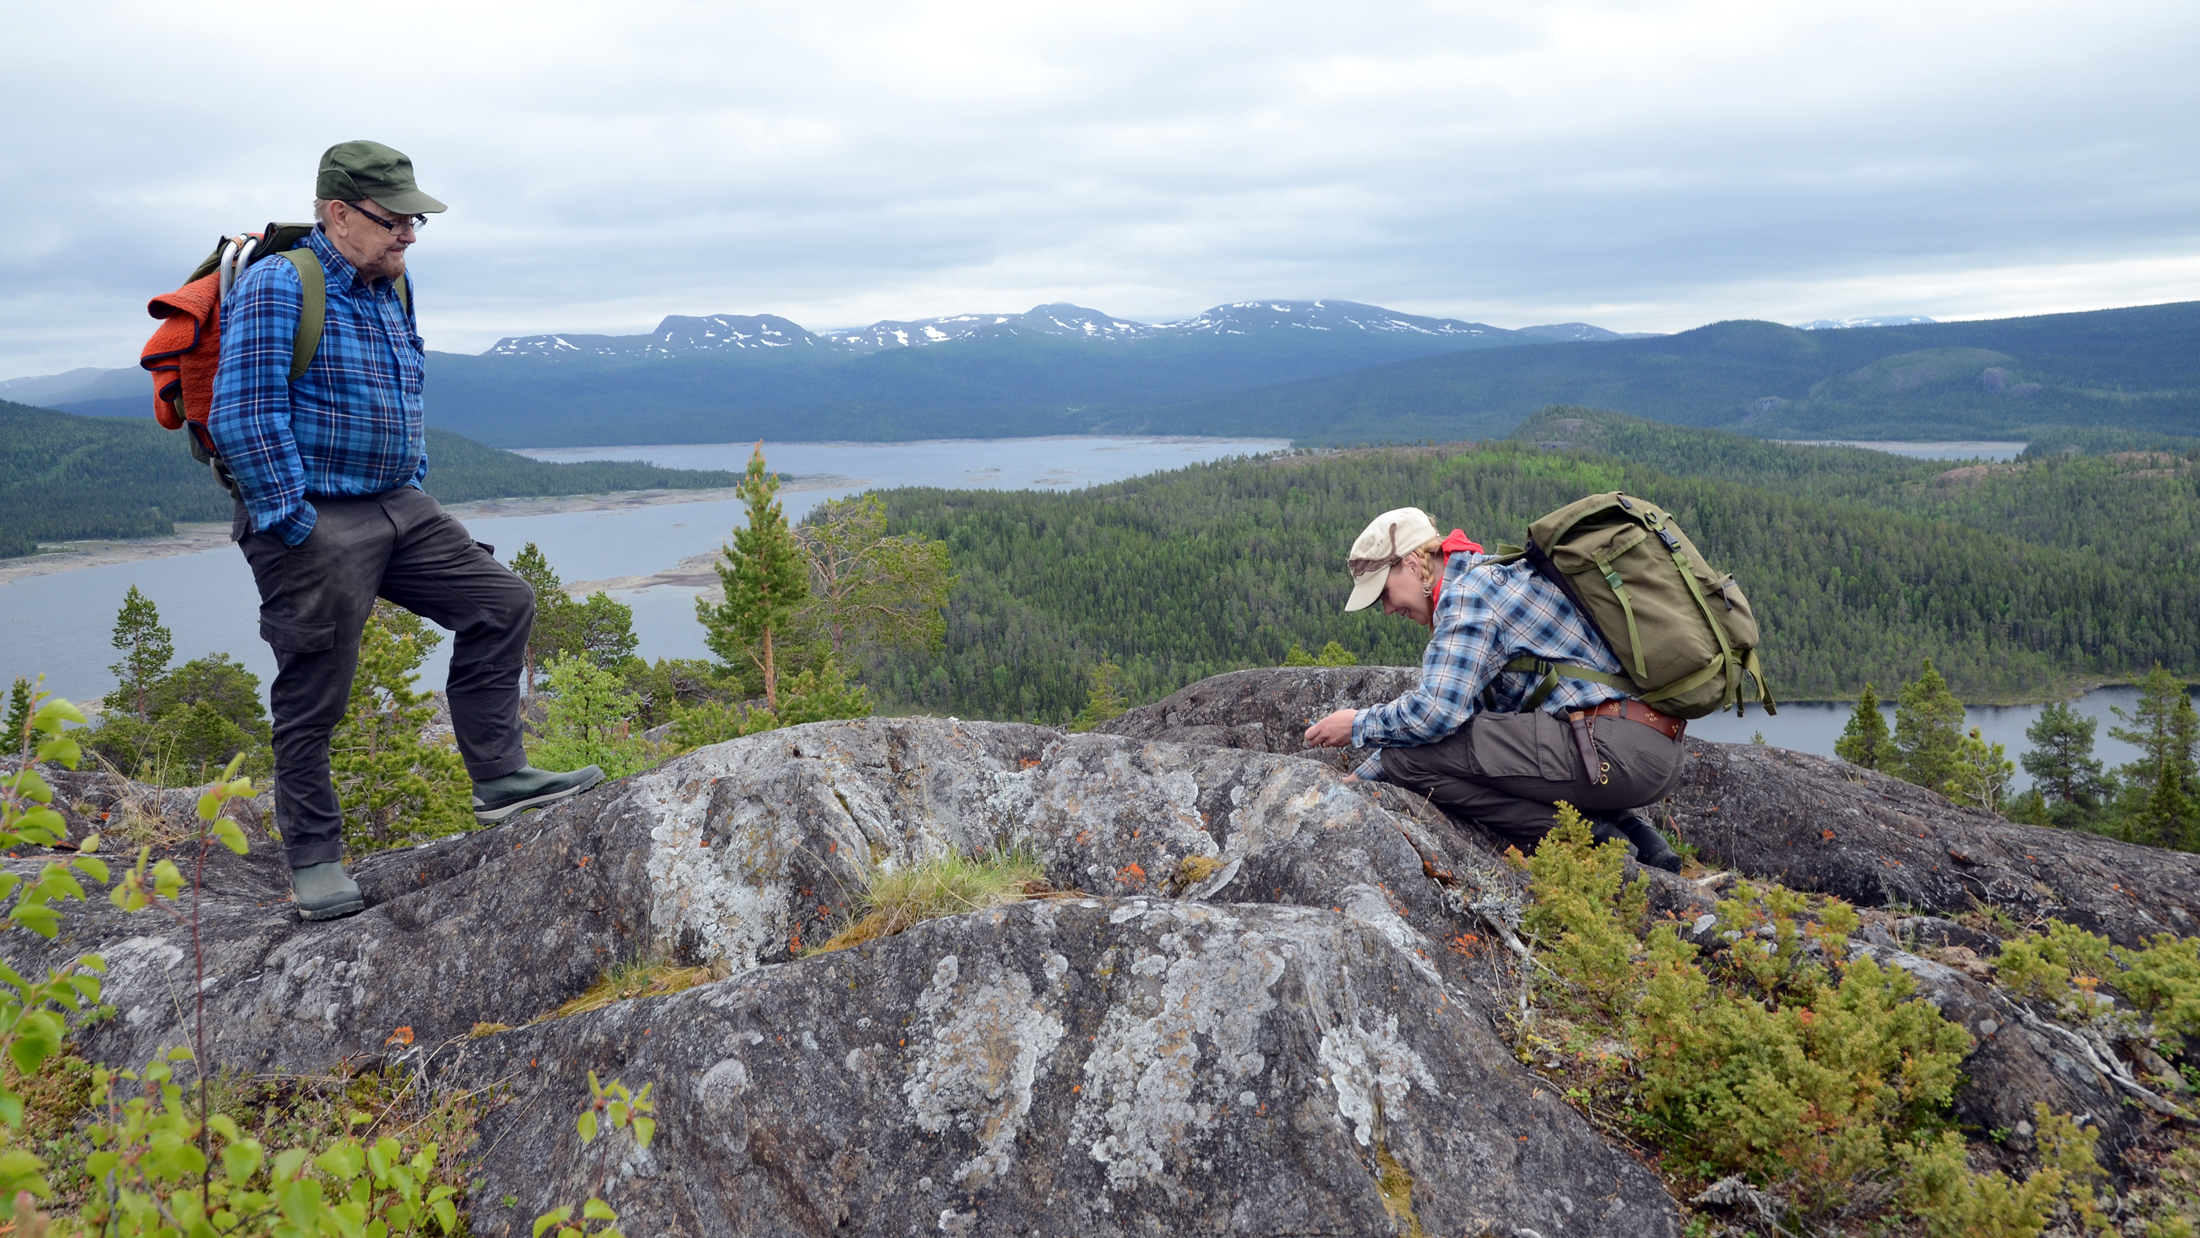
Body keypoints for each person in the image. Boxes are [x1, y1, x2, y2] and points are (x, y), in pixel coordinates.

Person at [210, 141, 602, 921]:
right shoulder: (279, 286)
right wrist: (294, 523)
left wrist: (411, 480)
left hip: (397, 503)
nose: (409, 236)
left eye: (416, 221)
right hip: (315, 514)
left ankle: (498, 778)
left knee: (502, 602)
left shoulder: (392, 285)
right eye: (395, 221)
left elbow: (403, 387)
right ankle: (315, 862)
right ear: (337, 214)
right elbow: (241, 415)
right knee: (315, 691)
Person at [1302, 507, 1685, 870]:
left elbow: (1436, 715)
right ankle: (1636, 835)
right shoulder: (1491, 575)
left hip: (1609, 752)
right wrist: (1365, 776)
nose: (1387, 609)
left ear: (1413, 563)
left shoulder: (1467, 595)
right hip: (1646, 748)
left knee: (1407, 763)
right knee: (1450, 754)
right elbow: (1484, 727)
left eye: (1384, 593)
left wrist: (1357, 727)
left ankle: (1589, 836)